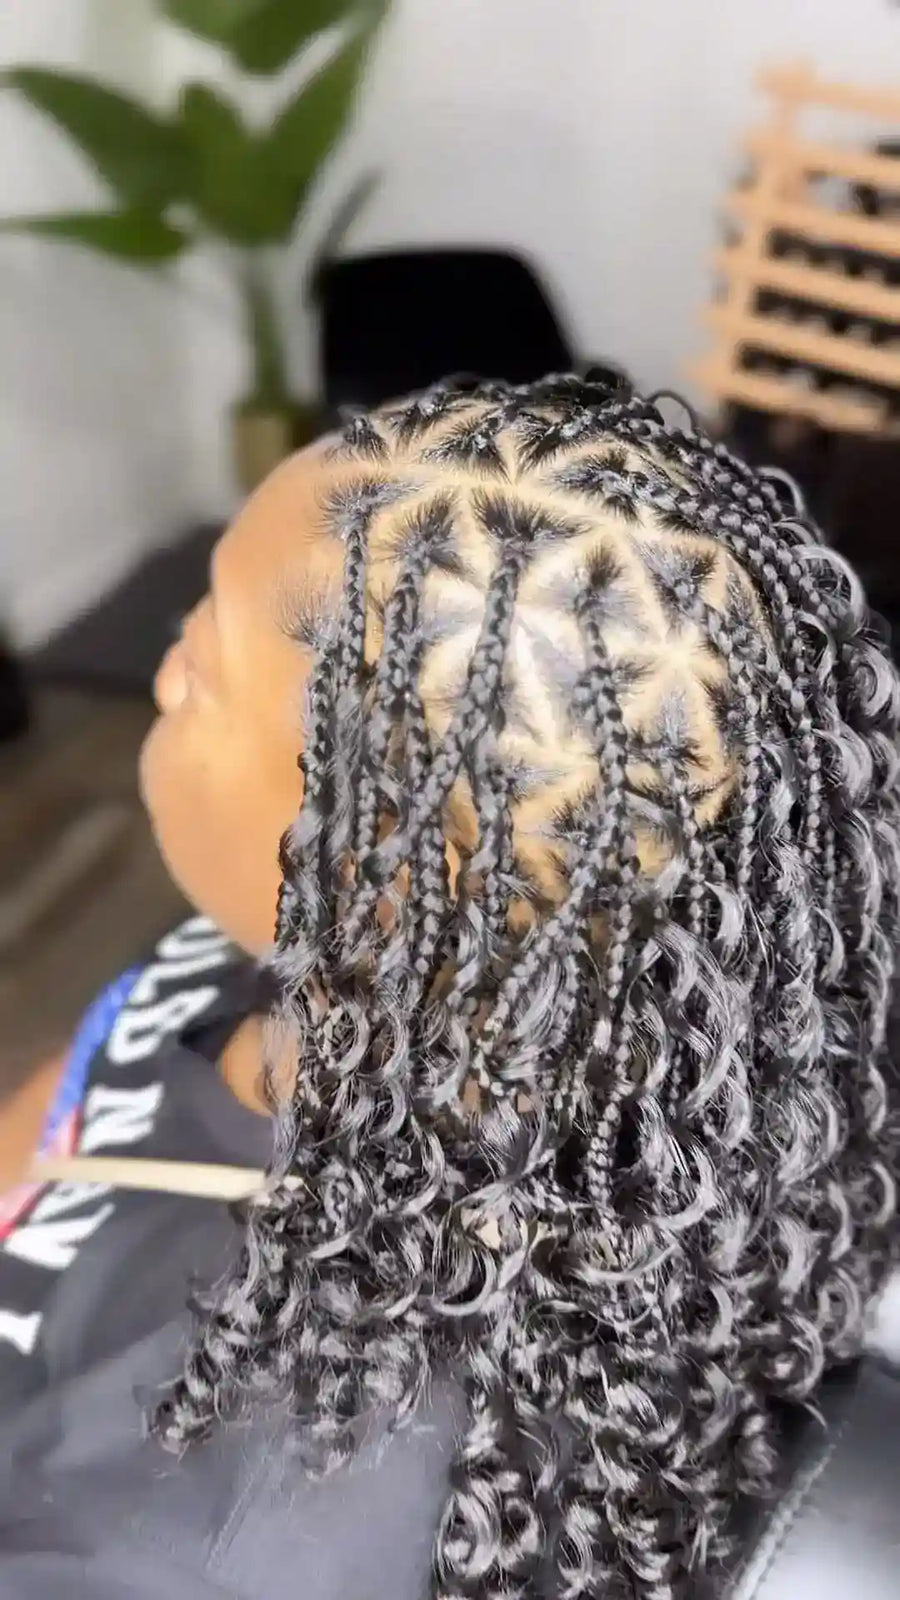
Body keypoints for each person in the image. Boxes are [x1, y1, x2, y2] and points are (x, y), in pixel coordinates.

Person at [2, 374, 900, 1600]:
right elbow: (78, 1094)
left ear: (373, 863)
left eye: (202, 659)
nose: (166, 673)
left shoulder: (177, 1549)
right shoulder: (314, 952)